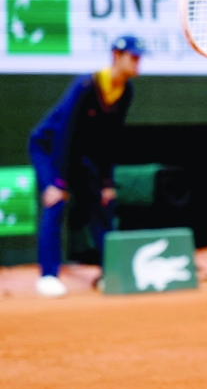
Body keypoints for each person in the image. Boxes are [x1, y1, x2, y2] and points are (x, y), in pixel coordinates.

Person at [28, 36, 144, 298]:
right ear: (117, 56)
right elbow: (65, 131)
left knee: (101, 205)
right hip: (49, 147)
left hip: (76, 154)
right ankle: (48, 276)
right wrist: (58, 182)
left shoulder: (125, 91)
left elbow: (110, 140)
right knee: (55, 203)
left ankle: (109, 273)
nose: (138, 62)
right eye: (133, 57)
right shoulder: (87, 85)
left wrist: (106, 182)